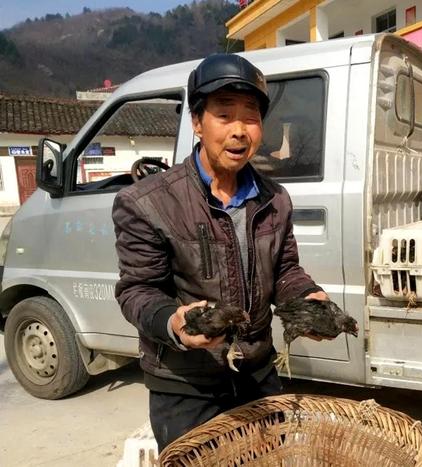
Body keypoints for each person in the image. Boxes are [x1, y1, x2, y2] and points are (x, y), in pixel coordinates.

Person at [112, 53, 328, 451]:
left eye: (251, 116)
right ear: (197, 122)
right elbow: (137, 290)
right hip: (186, 385)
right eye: (224, 115)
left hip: (257, 375)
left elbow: (285, 270)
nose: (240, 130)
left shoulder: (275, 199)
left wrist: (306, 296)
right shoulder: (147, 203)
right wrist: (174, 323)